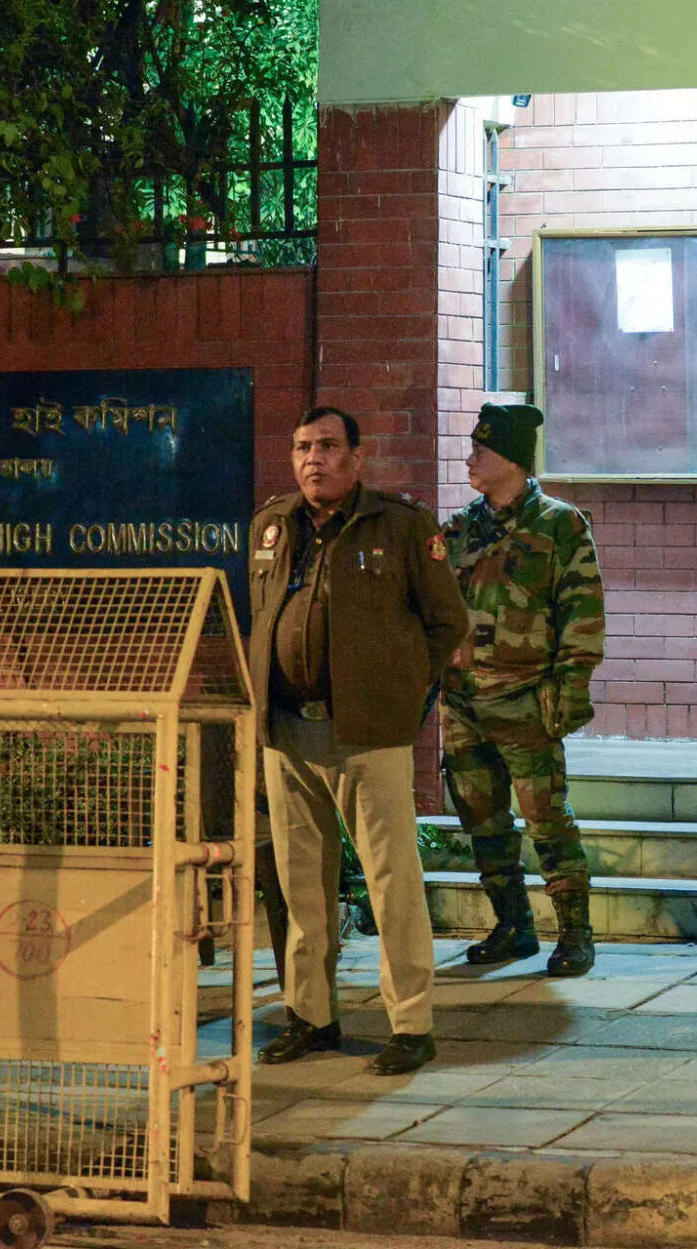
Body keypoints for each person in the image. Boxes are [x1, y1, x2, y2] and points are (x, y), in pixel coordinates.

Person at [247, 406, 470, 1076]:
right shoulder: (271, 524)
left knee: (391, 881)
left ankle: (411, 1024)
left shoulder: (399, 526)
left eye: (326, 446)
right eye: (301, 446)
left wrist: (400, 692)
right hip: (288, 731)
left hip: (369, 735)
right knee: (301, 884)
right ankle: (311, 1016)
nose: (312, 458)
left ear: (356, 456)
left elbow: (447, 622)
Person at [441, 403, 606, 976]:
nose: (469, 460)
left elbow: (582, 610)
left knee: (548, 822)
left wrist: (573, 684)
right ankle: (513, 926)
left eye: (480, 451)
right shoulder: (458, 528)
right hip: (464, 702)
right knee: (483, 823)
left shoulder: (560, 525)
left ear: (511, 459)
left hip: (527, 699)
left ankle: (576, 935)